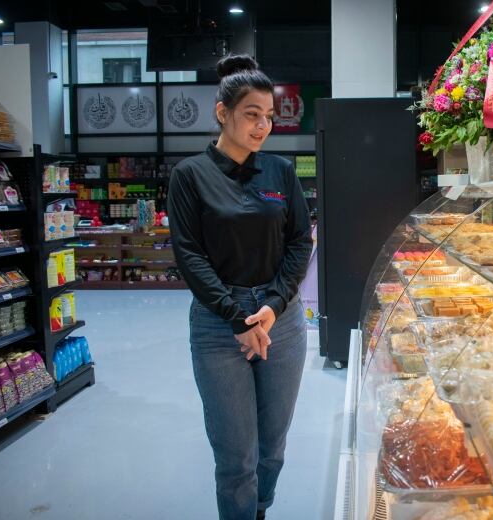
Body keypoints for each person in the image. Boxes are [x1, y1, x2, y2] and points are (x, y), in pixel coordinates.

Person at [167, 54, 313, 520]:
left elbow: (299, 243)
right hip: (218, 324)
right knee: (236, 457)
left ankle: (260, 510)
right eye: (252, 114)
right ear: (222, 112)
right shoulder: (190, 176)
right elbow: (189, 255)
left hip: (281, 321)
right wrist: (236, 316)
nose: (262, 126)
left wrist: (271, 304)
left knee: (272, 447)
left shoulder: (280, 173)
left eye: (268, 117)